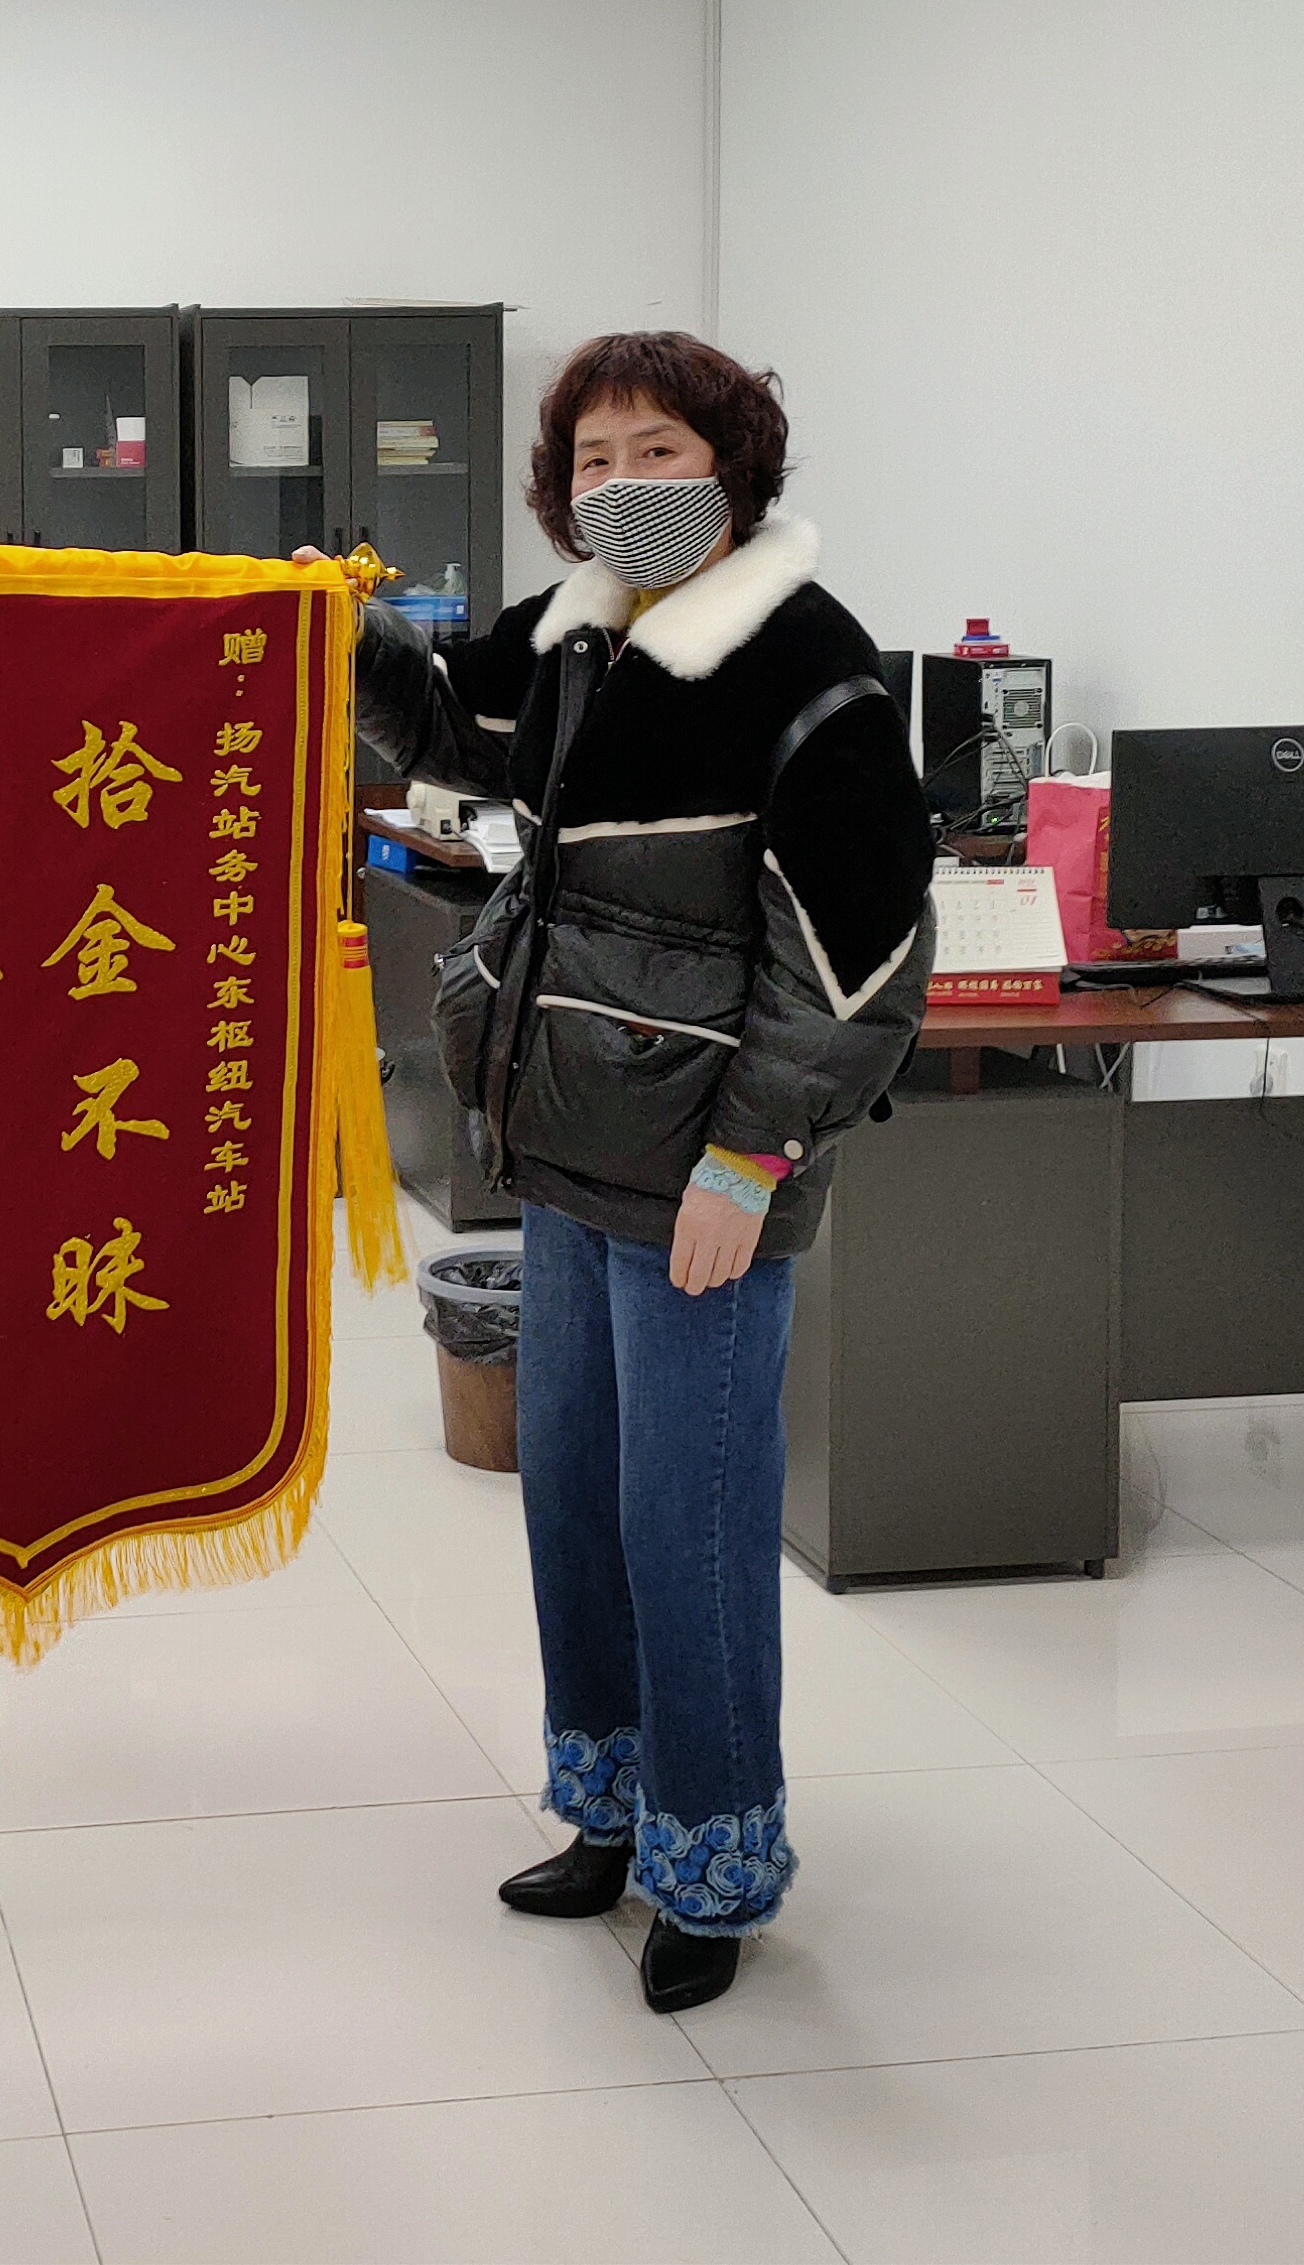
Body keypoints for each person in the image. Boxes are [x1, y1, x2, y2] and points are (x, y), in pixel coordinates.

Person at [345, 333, 931, 2014]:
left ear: (732, 465)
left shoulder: (805, 664)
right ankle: (609, 1812)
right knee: (580, 1506)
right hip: (570, 1151)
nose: (621, 486)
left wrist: (754, 1155)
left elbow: (860, 949)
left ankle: (713, 1865)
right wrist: (347, 634)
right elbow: (450, 729)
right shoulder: (580, 629)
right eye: (593, 459)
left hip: (702, 1181)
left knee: (693, 1527)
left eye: (656, 450)